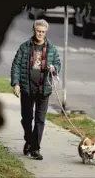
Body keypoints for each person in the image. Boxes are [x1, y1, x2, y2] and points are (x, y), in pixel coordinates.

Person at [10, 19, 61, 160]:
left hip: (43, 89)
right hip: (27, 88)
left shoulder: (51, 48)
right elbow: (16, 66)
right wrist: (16, 84)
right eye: (38, 31)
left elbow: (58, 64)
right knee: (26, 119)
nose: (40, 34)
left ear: (46, 33)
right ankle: (29, 140)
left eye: (43, 32)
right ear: (34, 30)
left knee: (40, 119)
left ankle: (35, 148)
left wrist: (54, 69)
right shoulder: (24, 47)